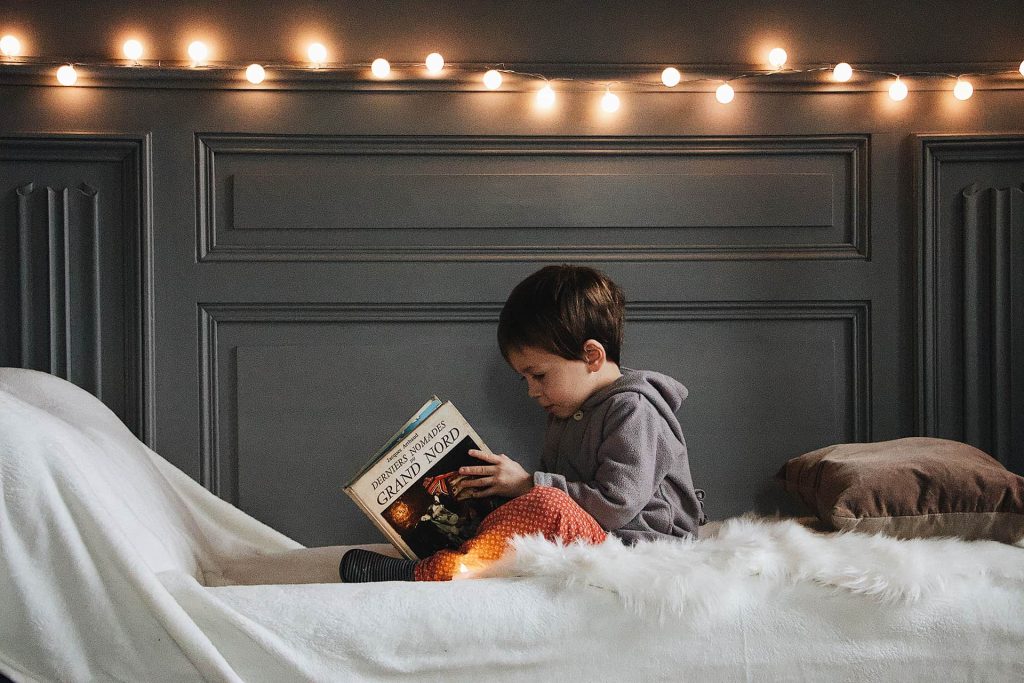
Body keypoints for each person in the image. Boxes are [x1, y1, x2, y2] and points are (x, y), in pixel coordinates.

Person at [339, 264, 707, 582]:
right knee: (510, 502)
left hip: (639, 549)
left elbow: (615, 505)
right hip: (597, 537)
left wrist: (529, 484)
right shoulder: (565, 412)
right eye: (524, 380)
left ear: (592, 356)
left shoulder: (634, 409)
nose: (532, 391)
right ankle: (450, 552)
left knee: (546, 505)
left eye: (540, 375)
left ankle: (429, 573)